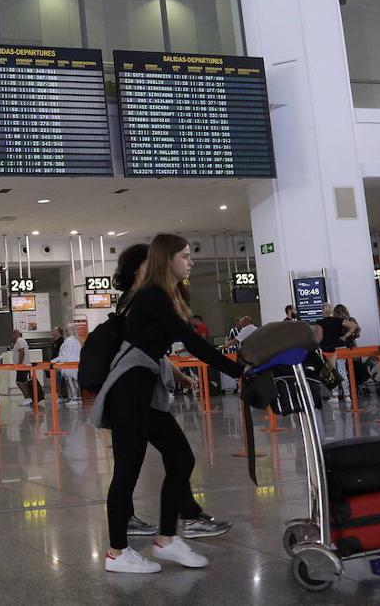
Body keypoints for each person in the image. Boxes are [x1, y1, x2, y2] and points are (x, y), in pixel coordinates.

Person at [96, 234, 244, 574]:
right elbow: (191, 340)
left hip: (143, 392)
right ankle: (117, 553)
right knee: (127, 472)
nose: (190, 261)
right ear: (167, 260)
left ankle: (166, 539)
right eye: (185, 256)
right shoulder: (151, 296)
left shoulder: (161, 296)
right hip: (129, 393)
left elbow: (173, 342)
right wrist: (239, 371)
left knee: (180, 457)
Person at [317, 304, 360, 398]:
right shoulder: (338, 320)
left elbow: (319, 338)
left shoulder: (320, 322)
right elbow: (354, 326)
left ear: (322, 311)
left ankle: (335, 395)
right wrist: (345, 336)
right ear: (331, 310)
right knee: (342, 371)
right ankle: (347, 395)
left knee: (331, 372)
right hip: (340, 347)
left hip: (328, 350)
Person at [55, 326, 82, 406]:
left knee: (70, 381)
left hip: (69, 365)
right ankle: (77, 397)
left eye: (66, 330)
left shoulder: (68, 341)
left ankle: (74, 398)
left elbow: (65, 354)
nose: (65, 332)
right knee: (76, 381)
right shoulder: (76, 341)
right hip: (75, 365)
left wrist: (56, 362)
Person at [11, 329, 36, 407]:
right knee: (22, 381)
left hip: (22, 365)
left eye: (13, 334)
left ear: (15, 334)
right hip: (24, 365)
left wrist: (19, 364)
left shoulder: (20, 341)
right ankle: (28, 398)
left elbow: (22, 352)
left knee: (20, 382)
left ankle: (27, 398)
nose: (12, 336)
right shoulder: (21, 341)